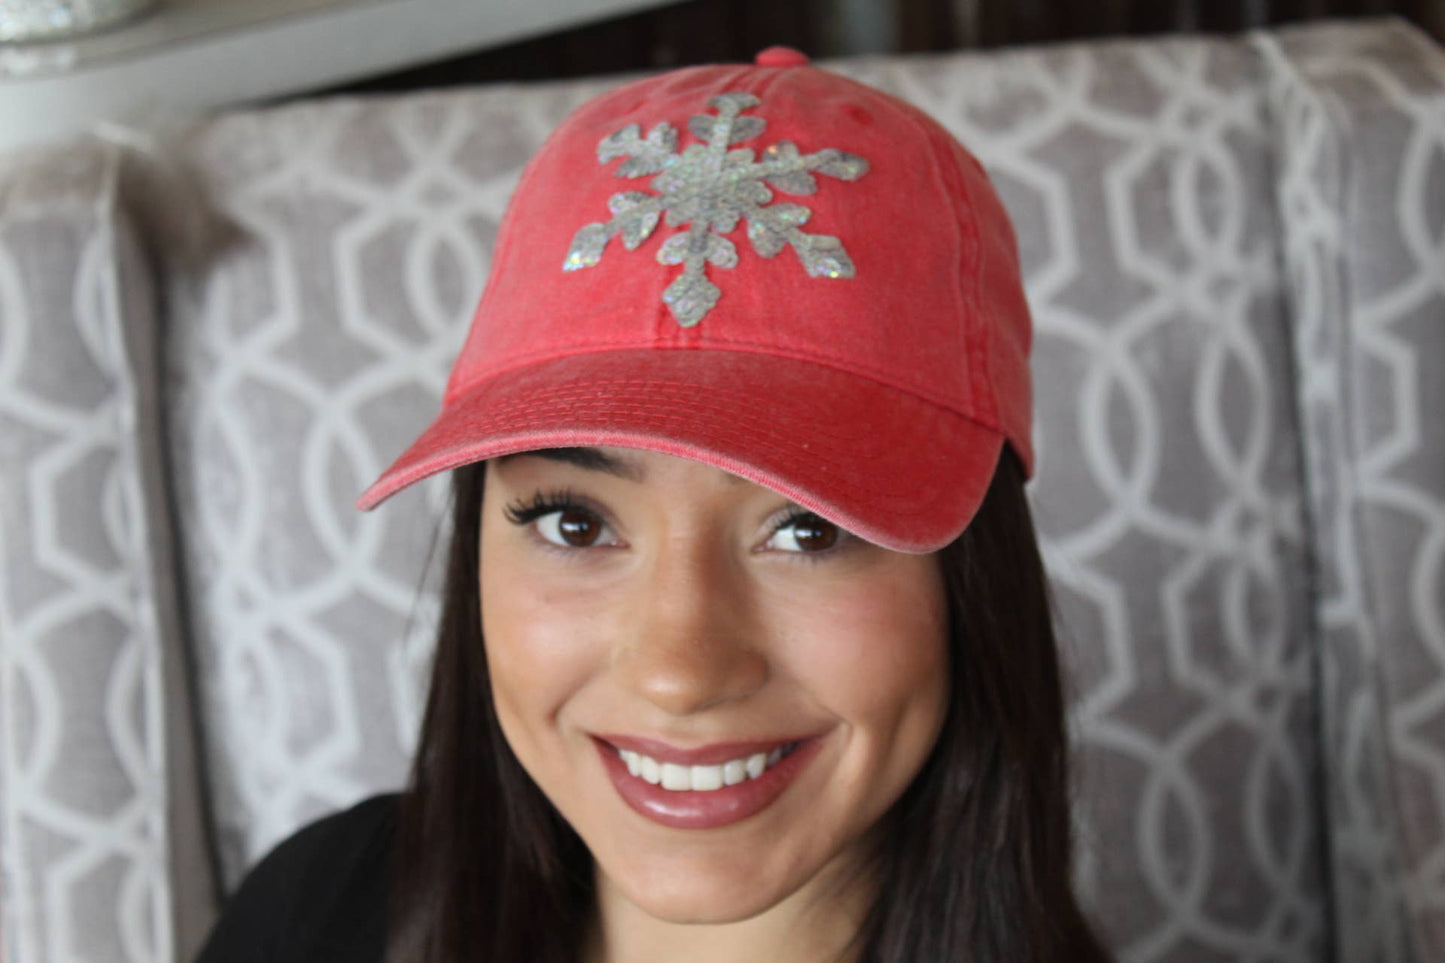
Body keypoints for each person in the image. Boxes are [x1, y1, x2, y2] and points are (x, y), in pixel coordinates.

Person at [195, 45, 1114, 963]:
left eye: (807, 528)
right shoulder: (309, 913)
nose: (681, 670)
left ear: (971, 578)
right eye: (575, 522)